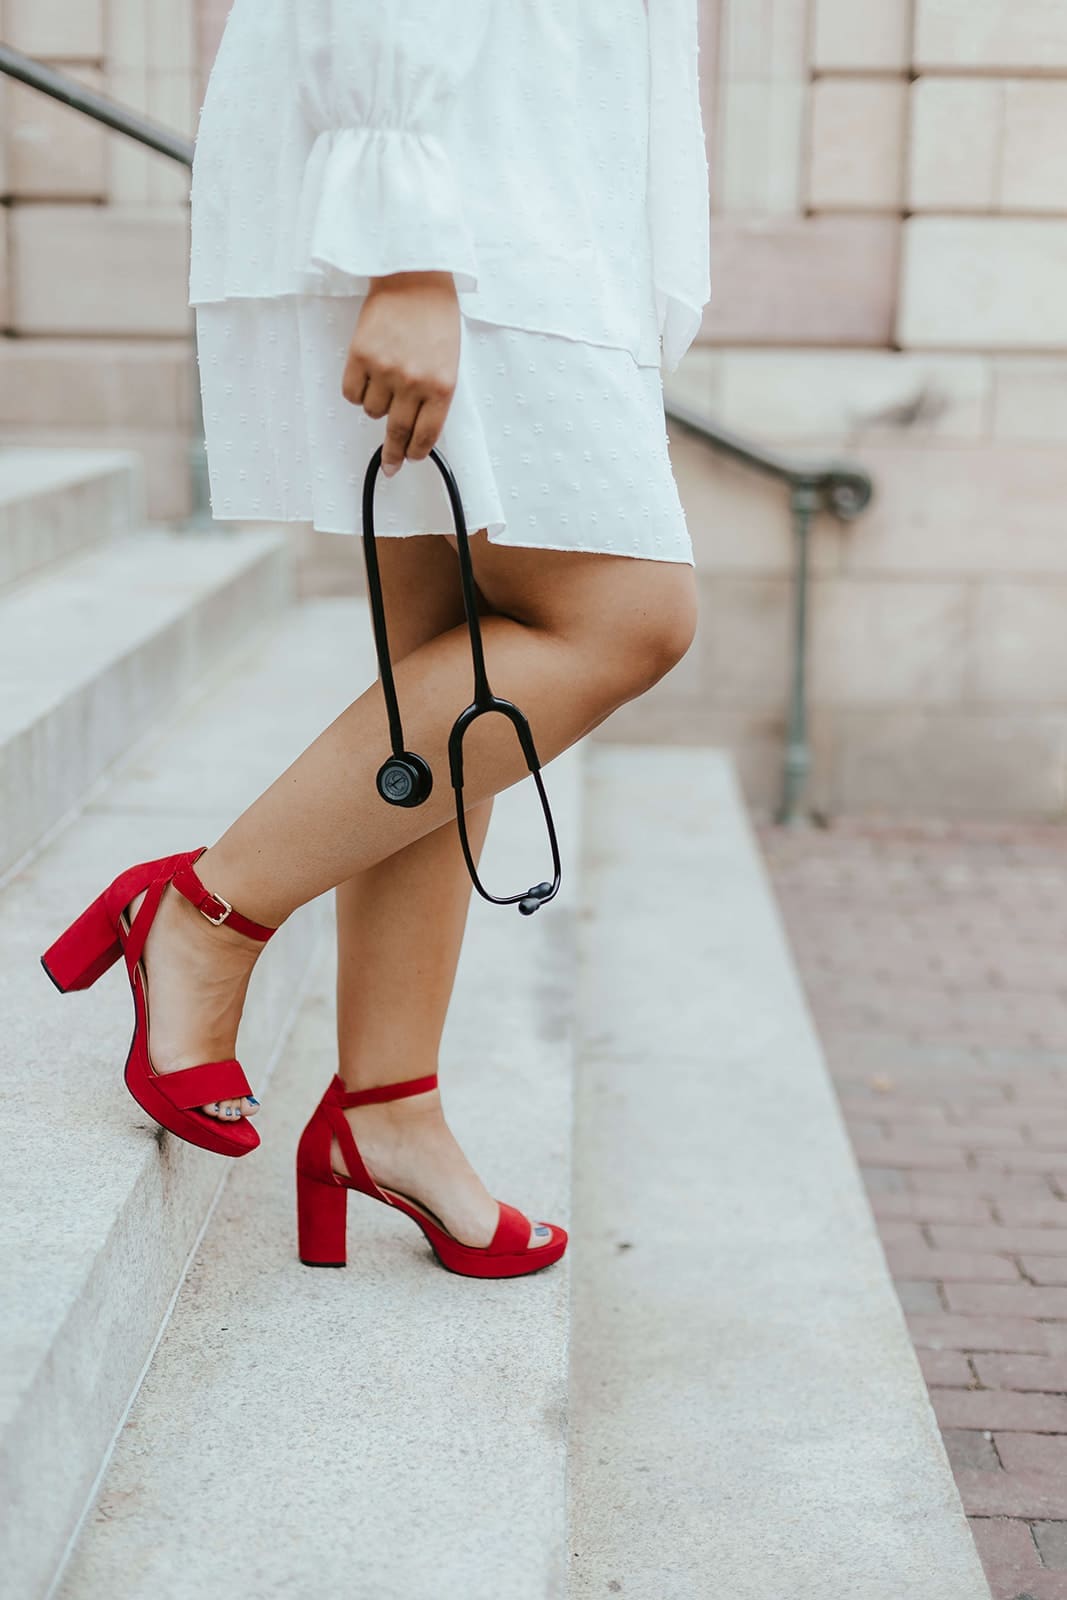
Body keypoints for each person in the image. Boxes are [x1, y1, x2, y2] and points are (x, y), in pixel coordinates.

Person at [42, 0, 710, 1280]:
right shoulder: (425, 215)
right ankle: (200, 913)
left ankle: (386, 1106)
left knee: (448, 664)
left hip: (516, 186)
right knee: (626, 616)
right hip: (455, 199)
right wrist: (405, 252)